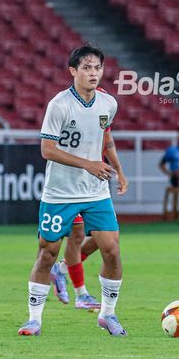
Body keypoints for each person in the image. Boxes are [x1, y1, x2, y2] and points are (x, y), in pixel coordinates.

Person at [18, 45, 128, 337]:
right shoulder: (60, 105)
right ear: (73, 71)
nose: (93, 73)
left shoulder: (108, 104)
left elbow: (105, 137)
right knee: (48, 254)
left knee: (112, 250)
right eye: (87, 68)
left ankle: (107, 314)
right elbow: (47, 149)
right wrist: (88, 164)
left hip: (95, 191)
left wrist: (118, 169)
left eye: (98, 68)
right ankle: (34, 319)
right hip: (60, 193)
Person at [50, 128, 127, 310]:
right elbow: (50, 146)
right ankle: (81, 294)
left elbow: (107, 139)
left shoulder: (104, 106)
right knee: (76, 234)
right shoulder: (68, 106)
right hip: (67, 185)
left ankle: (61, 269)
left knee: (107, 242)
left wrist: (119, 170)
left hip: (95, 185)